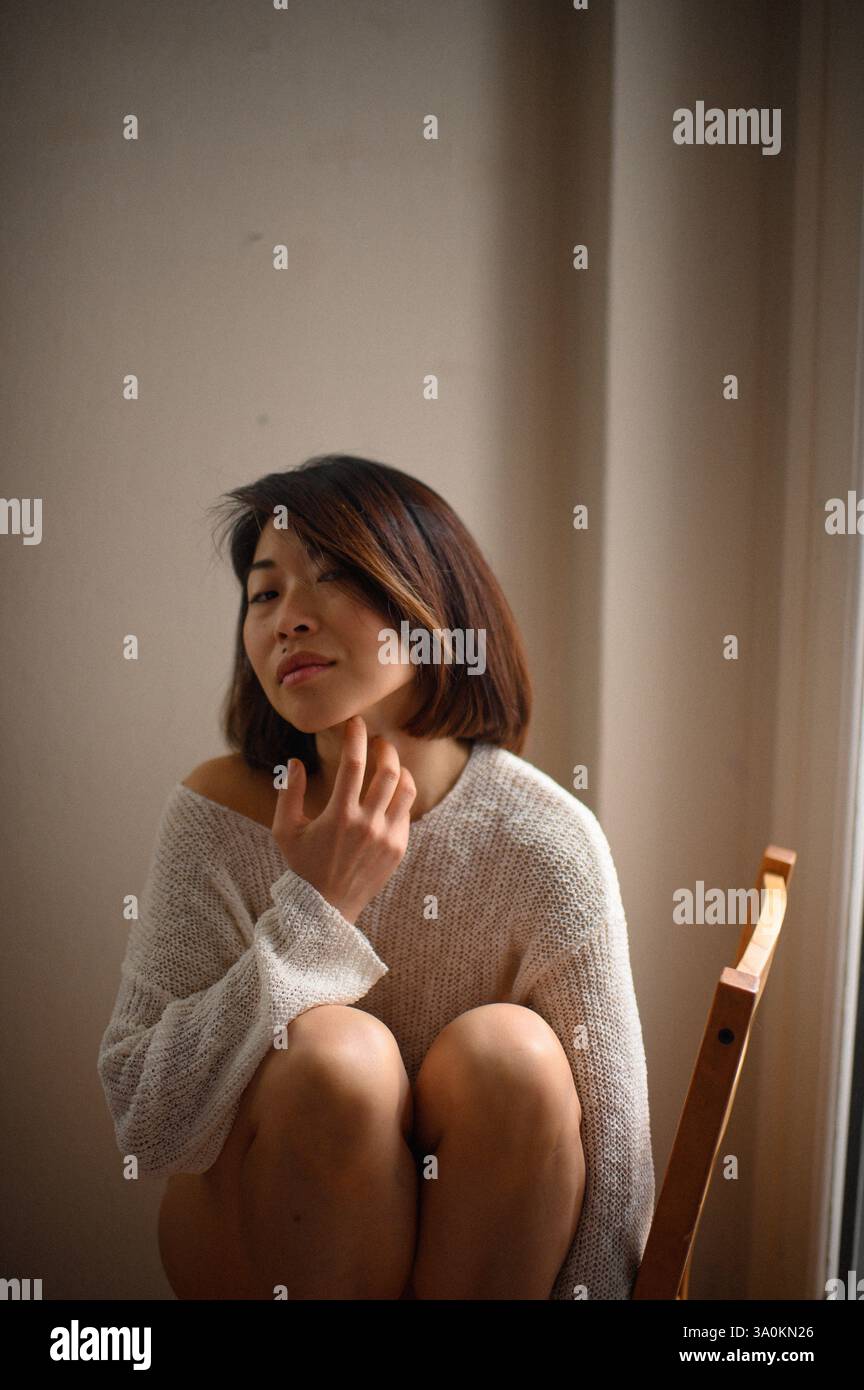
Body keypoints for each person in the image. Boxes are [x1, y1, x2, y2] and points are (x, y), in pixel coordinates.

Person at [97, 452, 655, 1300]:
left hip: (481, 1256)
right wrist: (316, 911)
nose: (287, 620)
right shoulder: (219, 813)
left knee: (514, 1058)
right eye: (263, 594)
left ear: (432, 605)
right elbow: (147, 1120)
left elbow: (615, 1172)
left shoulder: (548, 843)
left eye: (329, 576)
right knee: (332, 1058)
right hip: (250, 1248)